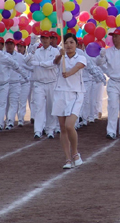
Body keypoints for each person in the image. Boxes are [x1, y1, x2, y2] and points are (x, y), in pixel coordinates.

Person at [51, 33, 87, 169]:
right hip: (60, 93)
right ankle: (67, 158)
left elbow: (77, 67)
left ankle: (75, 152)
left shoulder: (81, 57)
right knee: (62, 128)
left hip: (76, 94)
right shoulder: (61, 57)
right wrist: (61, 55)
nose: (69, 45)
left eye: (71, 42)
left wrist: (69, 73)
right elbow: (55, 62)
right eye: (66, 43)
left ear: (76, 44)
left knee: (69, 125)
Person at [26, 30, 59, 139]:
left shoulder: (55, 51)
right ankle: (38, 130)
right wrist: (31, 53)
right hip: (39, 83)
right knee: (38, 107)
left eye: (46, 38)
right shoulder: (37, 51)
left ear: (50, 39)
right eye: (43, 38)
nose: (44, 40)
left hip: (51, 83)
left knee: (51, 107)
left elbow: (52, 64)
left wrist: (39, 64)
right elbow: (27, 62)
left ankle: (50, 130)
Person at [4, 38, 29, 129]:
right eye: (8, 44)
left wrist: (27, 77)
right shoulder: (2, 55)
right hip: (5, 83)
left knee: (18, 102)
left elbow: (28, 66)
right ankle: (8, 119)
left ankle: (18, 120)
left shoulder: (20, 57)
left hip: (18, 83)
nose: (9, 46)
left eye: (11, 44)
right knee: (6, 103)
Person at [16, 39, 33, 127]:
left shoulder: (27, 58)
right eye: (18, 46)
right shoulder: (15, 57)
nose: (19, 48)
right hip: (17, 82)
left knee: (27, 101)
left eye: (21, 47)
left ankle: (31, 116)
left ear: (24, 48)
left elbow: (31, 67)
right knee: (19, 101)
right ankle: (20, 119)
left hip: (26, 82)